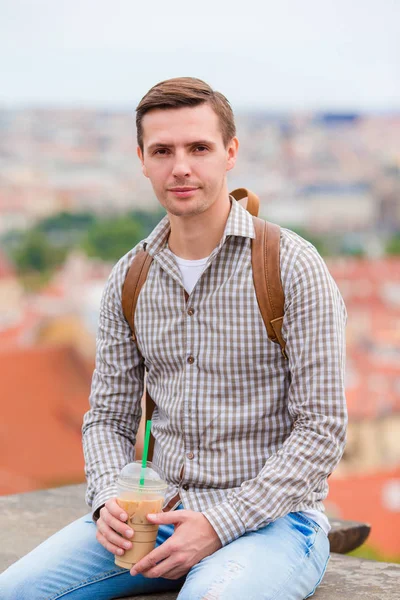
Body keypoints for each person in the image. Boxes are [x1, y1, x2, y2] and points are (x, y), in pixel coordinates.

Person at [0, 77, 348, 600]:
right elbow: (107, 418)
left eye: (199, 148)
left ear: (230, 153)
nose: (180, 167)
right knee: (18, 591)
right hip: (155, 515)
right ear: (142, 159)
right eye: (162, 150)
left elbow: (322, 427)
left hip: (272, 522)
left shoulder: (291, 266)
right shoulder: (130, 276)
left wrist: (220, 523)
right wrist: (106, 500)